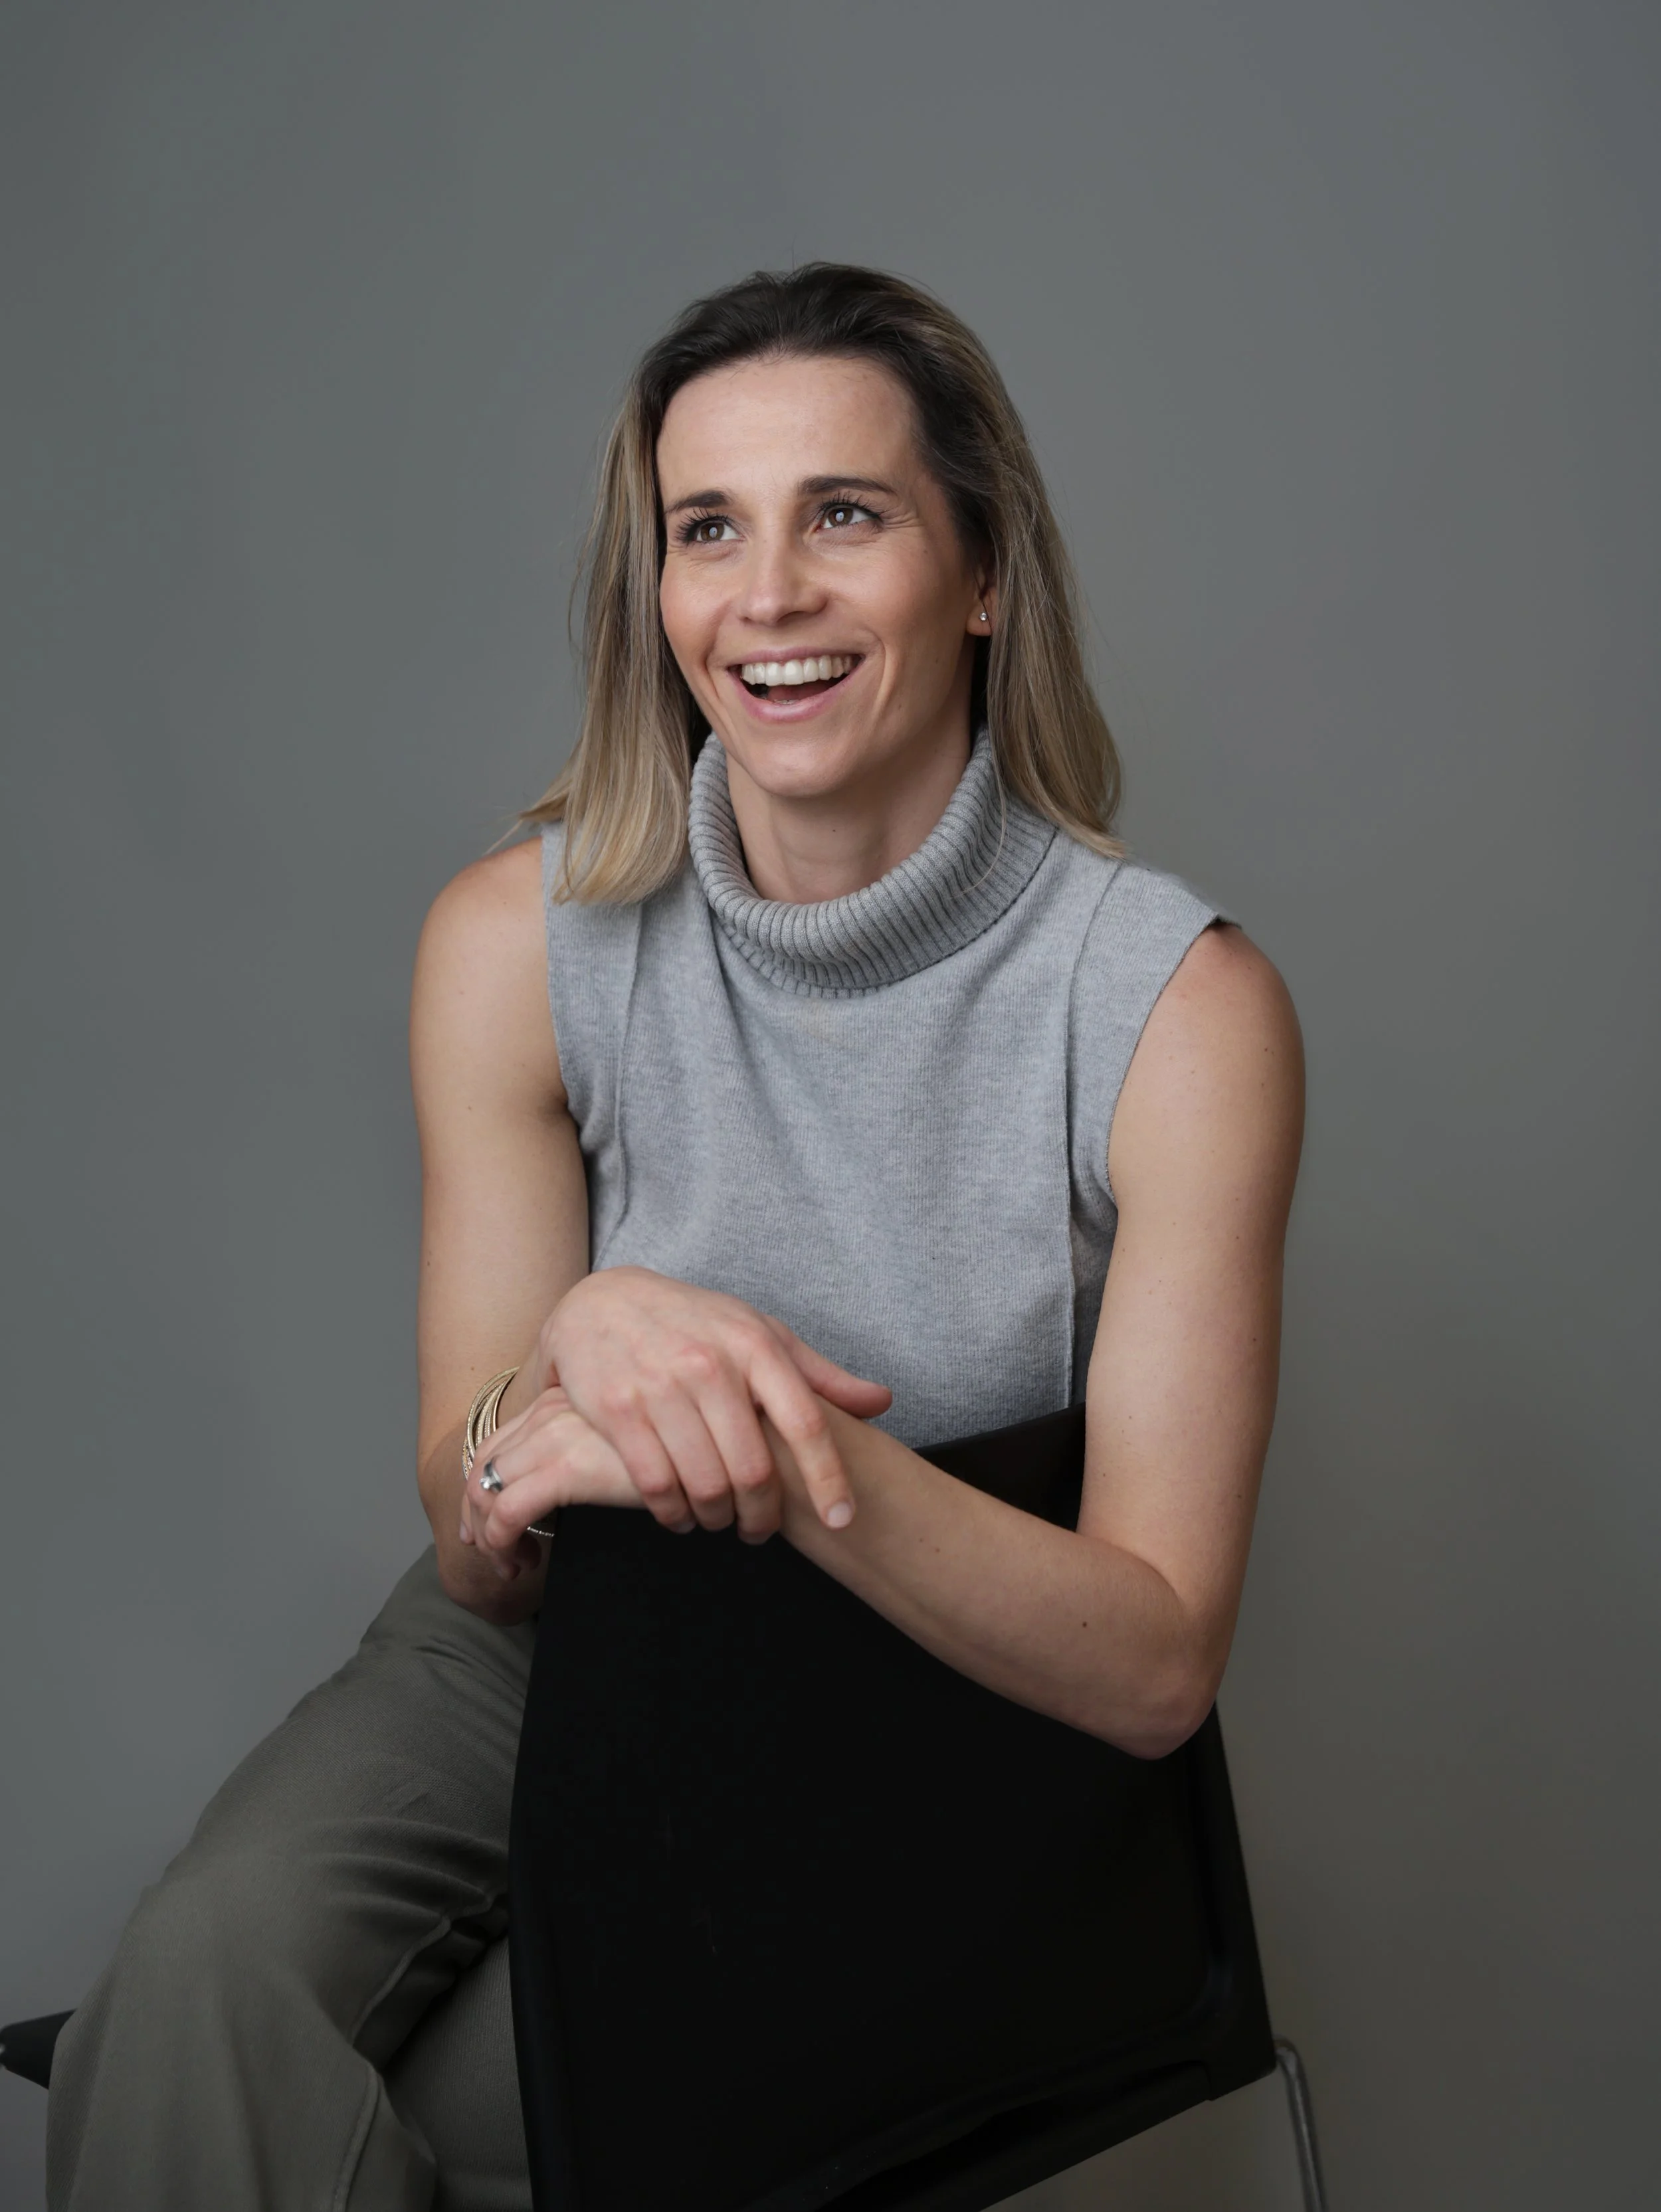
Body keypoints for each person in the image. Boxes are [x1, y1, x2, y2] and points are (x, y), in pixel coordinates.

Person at [47, 262, 1304, 2211]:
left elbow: (1151, 1663)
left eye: (847, 515)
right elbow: (475, 1530)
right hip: (551, 1644)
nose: (768, 593)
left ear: (981, 576)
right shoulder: (511, 942)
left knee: (473, 2114)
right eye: (705, 528)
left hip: (922, 1714)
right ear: (655, 593)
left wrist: (771, 1448)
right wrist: (561, 1387)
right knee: (194, 1999)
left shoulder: (1174, 1012)